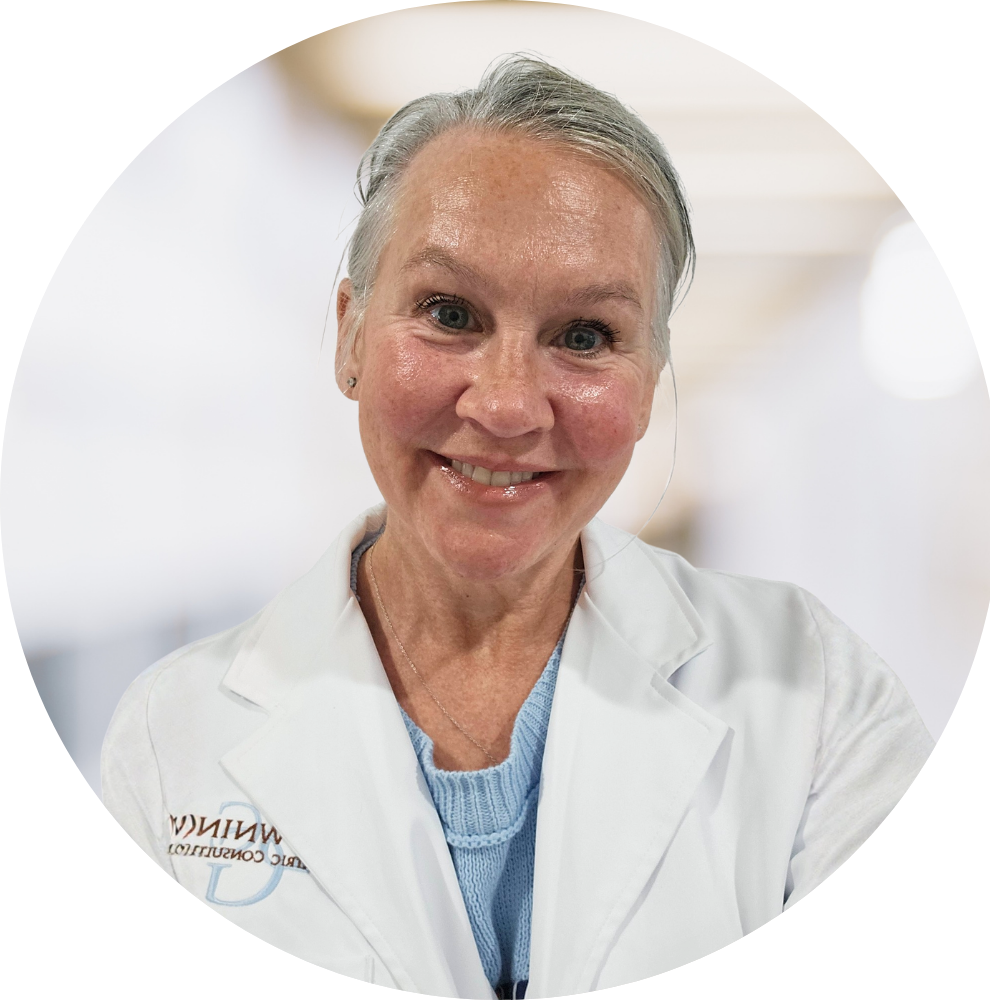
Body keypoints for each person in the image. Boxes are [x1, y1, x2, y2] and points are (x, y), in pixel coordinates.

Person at [102, 56, 933, 998]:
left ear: (650, 381)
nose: (505, 406)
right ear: (348, 335)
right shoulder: (171, 740)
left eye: (584, 336)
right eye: (448, 313)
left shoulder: (822, 704)